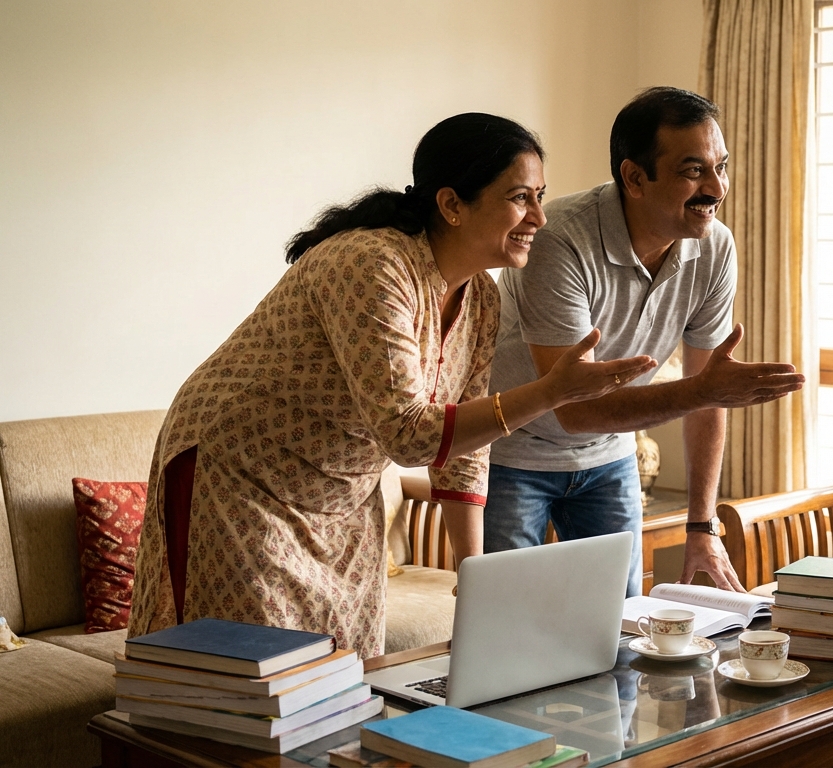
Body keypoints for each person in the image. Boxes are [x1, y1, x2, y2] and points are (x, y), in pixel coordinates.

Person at [126, 113, 655, 659]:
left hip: (342, 491)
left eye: (540, 197)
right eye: (521, 198)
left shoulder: (481, 298)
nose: (539, 218)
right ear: (451, 204)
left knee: (347, 664)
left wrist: (474, 571)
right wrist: (549, 392)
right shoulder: (371, 264)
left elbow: (464, 449)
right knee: (254, 673)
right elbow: (409, 435)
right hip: (240, 473)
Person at [472, 87, 805, 595]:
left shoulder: (714, 246)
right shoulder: (559, 239)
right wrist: (703, 391)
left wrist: (701, 525)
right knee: (509, 616)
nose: (716, 188)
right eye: (693, 170)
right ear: (634, 178)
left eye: (721, 167)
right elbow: (575, 408)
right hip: (514, 452)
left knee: (619, 622)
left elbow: (706, 391)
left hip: (610, 456)